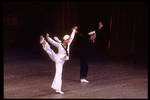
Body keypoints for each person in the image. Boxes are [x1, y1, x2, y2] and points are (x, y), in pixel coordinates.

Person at [40, 26, 78, 94]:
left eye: (69, 39)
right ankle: (43, 41)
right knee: (50, 51)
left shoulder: (68, 44)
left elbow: (72, 37)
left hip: (61, 62)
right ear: (65, 40)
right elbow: (53, 42)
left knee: (59, 74)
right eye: (68, 39)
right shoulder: (59, 45)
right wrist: (48, 38)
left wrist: (73, 31)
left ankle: (57, 89)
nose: (69, 40)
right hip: (57, 59)